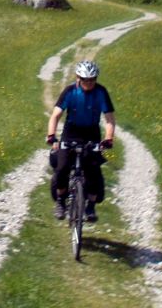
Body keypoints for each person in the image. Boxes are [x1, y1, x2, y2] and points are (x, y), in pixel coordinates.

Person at [46, 60, 116, 222]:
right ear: (78, 78)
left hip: (91, 133)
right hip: (71, 132)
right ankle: (61, 201)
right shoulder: (70, 91)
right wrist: (51, 135)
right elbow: (56, 115)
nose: (89, 83)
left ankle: (90, 206)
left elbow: (109, 118)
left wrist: (108, 138)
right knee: (62, 167)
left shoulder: (101, 92)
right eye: (85, 79)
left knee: (93, 170)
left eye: (92, 79)